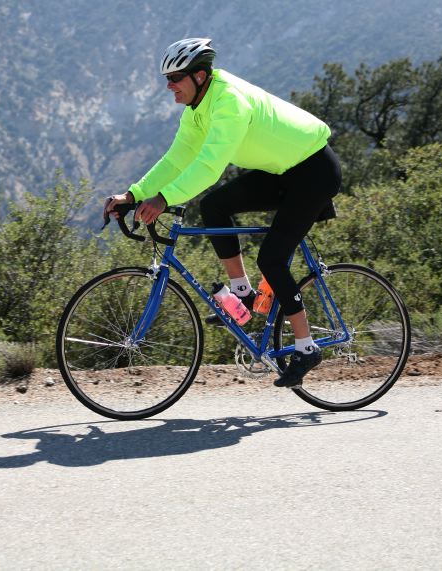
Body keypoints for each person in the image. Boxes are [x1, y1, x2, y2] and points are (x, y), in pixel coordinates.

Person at [103, 37, 342, 388]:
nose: (168, 86)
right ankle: (242, 292)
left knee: (272, 259)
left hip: (313, 172)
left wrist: (164, 200)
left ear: (200, 76)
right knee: (213, 206)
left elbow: (209, 166)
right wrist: (133, 193)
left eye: (175, 78)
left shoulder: (228, 100)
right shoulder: (197, 110)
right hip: (282, 171)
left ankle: (306, 347)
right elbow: (177, 159)